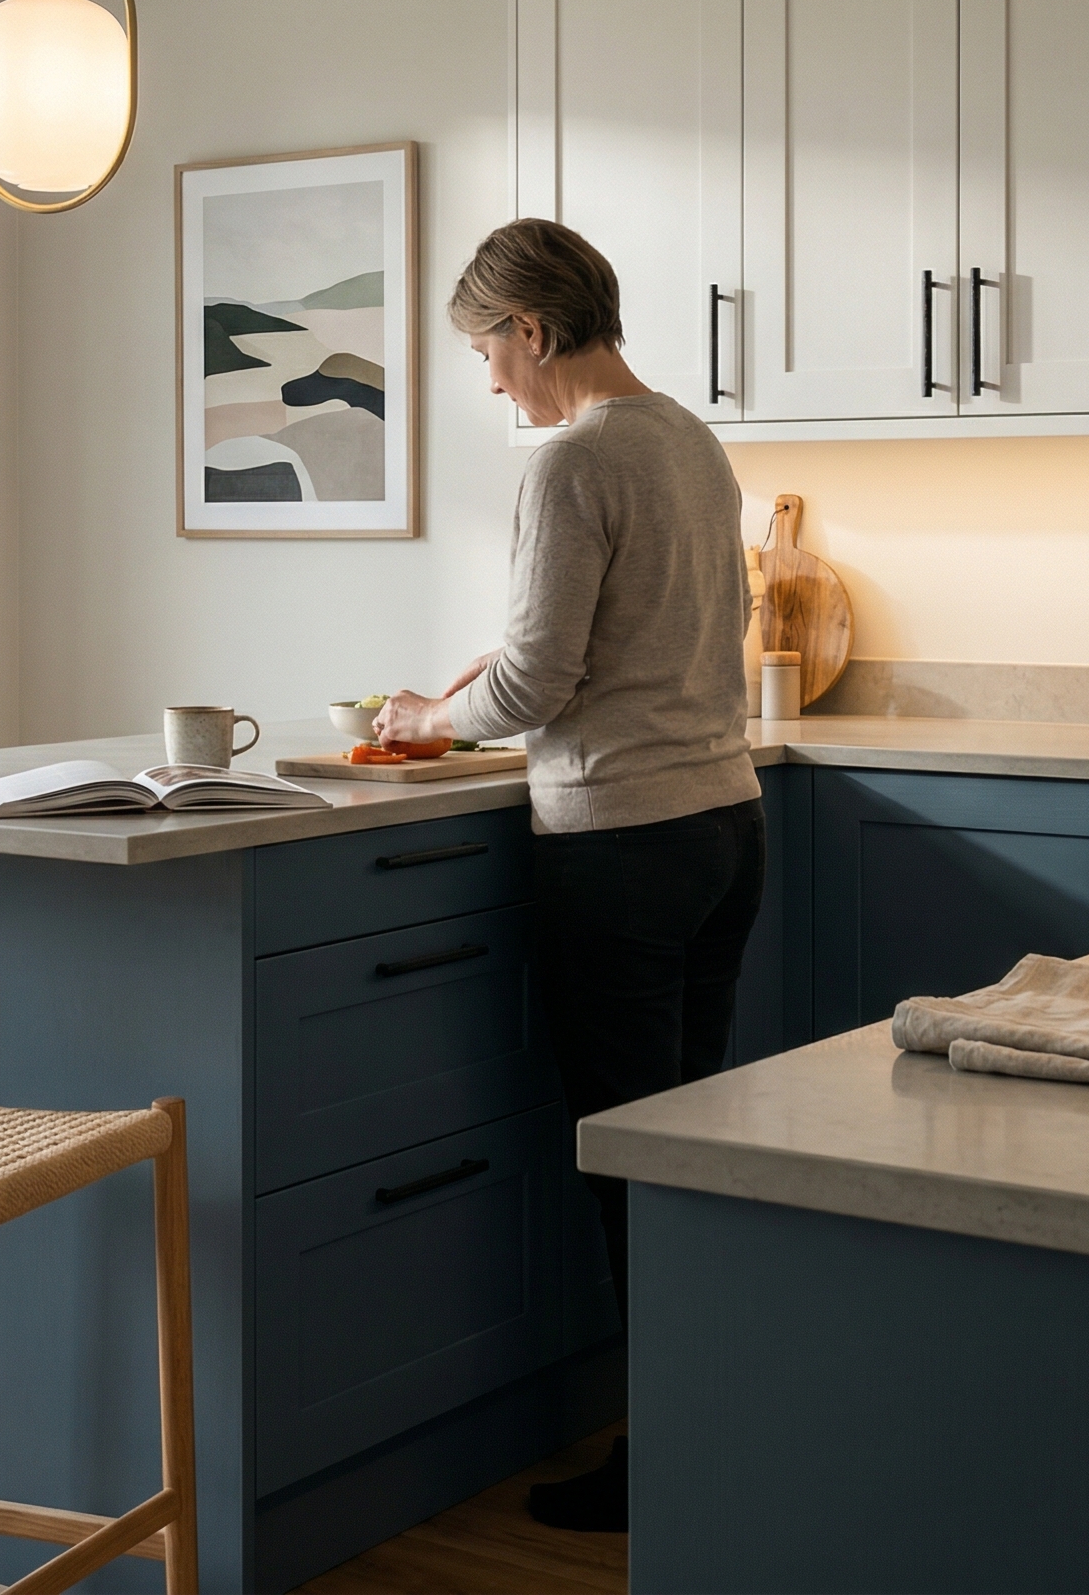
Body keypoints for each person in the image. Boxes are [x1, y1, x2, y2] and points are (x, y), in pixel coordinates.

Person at [373, 218, 765, 1534]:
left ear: (532, 330)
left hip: (623, 845)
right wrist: (475, 686)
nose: (491, 381)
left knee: (630, 1161)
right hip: (724, 827)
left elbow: (542, 682)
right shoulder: (690, 440)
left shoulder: (573, 458)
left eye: (488, 350)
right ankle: (713, 1426)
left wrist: (431, 721)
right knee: (689, 1151)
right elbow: (638, 634)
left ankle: (664, 1458)